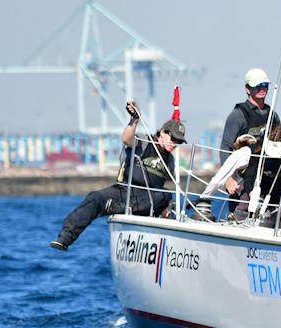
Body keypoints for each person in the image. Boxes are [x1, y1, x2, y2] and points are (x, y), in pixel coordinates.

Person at [50, 101, 186, 251]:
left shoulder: (170, 161)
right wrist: (134, 119)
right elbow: (126, 139)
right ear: (162, 133)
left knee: (165, 196)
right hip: (123, 192)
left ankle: (124, 210)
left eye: (178, 142)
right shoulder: (144, 142)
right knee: (94, 197)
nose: (175, 144)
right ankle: (65, 238)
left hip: (148, 200)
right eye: (173, 139)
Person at [220, 68, 280, 215]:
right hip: (242, 178)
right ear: (247, 89)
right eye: (257, 86)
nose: (262, 89)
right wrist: (228, 179)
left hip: (265, 176)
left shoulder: (273, 115)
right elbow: (225, 147)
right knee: (240, 213)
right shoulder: (237, 115)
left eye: (265, 85)